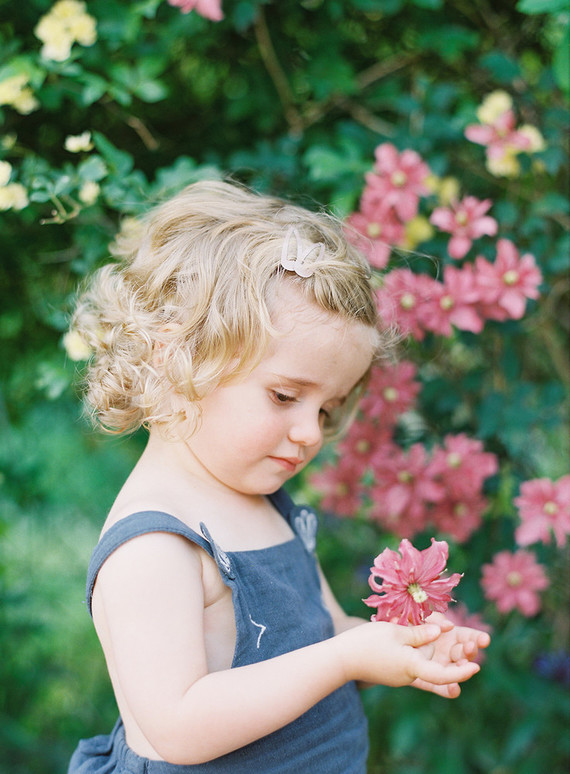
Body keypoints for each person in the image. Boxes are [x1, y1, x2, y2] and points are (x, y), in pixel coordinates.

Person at [67, 180, 490, 774]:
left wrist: (398, 647)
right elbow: (179, 727)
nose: (311, 432)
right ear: (178, 356)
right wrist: (345, 658)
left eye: (328, 408)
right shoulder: (154, 545)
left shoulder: (265, 504)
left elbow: (326, 632)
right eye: (285, 396)